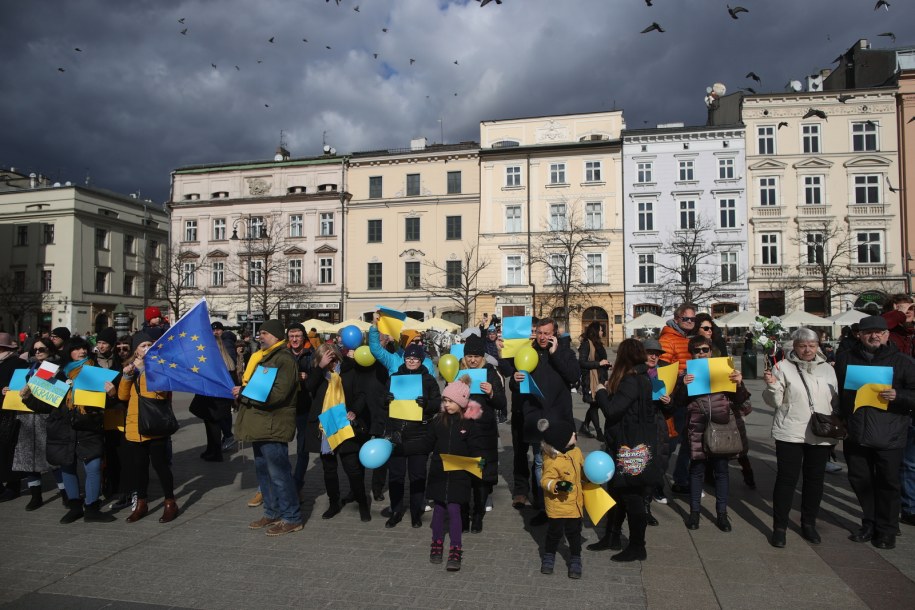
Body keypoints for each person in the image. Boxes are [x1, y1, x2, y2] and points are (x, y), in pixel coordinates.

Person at [834, 315, 915, 549]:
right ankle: (869, 522)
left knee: (888, 483)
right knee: (861, 480)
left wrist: (900, 397)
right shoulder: (845, 359)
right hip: (856, 431)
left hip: (889, 433)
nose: (874, 336)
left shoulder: (903, 362)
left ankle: (887, 529)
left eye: (879, 332)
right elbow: (837, 389)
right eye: (869, 332)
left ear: (887, 335)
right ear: (860, 335)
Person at [22, 337, 116, 523]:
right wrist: (26, 398)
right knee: (67, 465)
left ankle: (91, 508)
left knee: (94, 466)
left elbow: (107, 403)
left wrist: (112, 394)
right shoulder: (59, 374)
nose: (81, 352)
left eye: (84, 349)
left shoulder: (97, 372)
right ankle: (74, 506)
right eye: (76, 349)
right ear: (69, 352)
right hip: (62, 428)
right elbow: (45, 404)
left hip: (88, 427)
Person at [762, 327, 839, 548]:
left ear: (818, 346)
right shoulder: (782, 367)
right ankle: (780, 527)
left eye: (812, 345)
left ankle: (808, 523)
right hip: (790, 432)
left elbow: (835, 400)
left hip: (820, 433)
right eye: (802, 345)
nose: (807, 350)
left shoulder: (828, 369)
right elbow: (773, 402)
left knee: (815, 481)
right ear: (794, 346)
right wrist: (771, 385)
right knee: (787, 480)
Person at [402, 376, 483, 572]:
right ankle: (436, 543)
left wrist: (480, 466)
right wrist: (403, 448)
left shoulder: (469, 425)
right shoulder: (438, 422)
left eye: (450, 401)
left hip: (459, 476)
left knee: (454, 511)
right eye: (445, 400)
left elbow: (476, 450)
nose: (446, 404)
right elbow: (427, 443)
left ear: (461, 402)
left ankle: (456, 549)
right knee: (439, 510)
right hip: (439, 474)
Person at [504, 318, 581, 523]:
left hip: (559, 417)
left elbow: (574, 376)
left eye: (547, 333)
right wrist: (514, 380)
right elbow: (514, 380)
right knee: (539, 462)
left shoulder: (565, 352)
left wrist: (556, 355)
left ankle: (563, 504)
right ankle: (544, 507)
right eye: (540, 333)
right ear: (535, 333)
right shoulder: (528, 352)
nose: (543, 337)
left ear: (555, 334)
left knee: (557, 461)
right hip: (536, 416)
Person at [593, 339, 660, 562]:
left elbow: (612, 411)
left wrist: (601, 392)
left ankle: (637, 546)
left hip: (630, 446)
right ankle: (611, 536)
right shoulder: (640, 377)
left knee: (632, 496)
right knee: (616, 492)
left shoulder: (632, 381)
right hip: (630, 442)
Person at [233, 319, 302, 536]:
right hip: (261, 424)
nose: (259, 336)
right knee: (264, 474)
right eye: (259, 333)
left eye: (264, 333)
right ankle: (272, 512)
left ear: (275, 335)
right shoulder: (267, 358)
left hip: (273, 425)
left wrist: (244, 393)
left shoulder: (283, 359)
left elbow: (277, 395)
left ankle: (292, 517)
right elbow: (258, 388)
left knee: (279, 474)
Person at [675, 335, 749, 532]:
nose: (701, 353)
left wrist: (739, 382)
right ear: (691, 354)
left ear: (711, 351)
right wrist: (683, 385)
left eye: (704, 350)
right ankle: (694, 513)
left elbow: (740, 399)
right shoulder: (685, 374)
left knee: (722, 471)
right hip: (697, 427)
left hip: (721, 427)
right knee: (696, 470)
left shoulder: (725, 370)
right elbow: (678, 402)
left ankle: (722, 514)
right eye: (697, 351)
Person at [118, 332, 179, 524]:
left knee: (160, 466)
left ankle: (170, 502)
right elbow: (122, 397)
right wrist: (127, 376)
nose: (147, 348)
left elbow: (158, 394)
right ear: (136, 349)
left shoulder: (159, 366)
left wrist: (144, 371)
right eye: (143, 345)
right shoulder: (129, 367)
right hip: (135, 426)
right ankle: (142, 503)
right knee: (139, 467)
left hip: (155, 424)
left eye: (149, 345)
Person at [305, 342, 371, 522]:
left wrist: (354, 411)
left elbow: (361, 395)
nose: (330, 360)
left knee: (353, 468)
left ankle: (362, 503)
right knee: (329, 469)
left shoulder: (350, 371)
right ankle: (333, 503)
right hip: (325, 425)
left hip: (344, 423)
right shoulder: (318, 374)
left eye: (331, 356)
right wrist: (320, 367)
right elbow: (308, 387)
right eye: (324, 356)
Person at [381, 342, 441, 528]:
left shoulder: (428, 379)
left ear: (421, 359)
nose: (411, 361)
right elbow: (383, 402)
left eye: (415, 358)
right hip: (397, 433)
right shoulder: (394, 377)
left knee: (417, 476)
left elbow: (437, 403)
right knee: (396, 477)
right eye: (408, 357)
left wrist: (427, 404)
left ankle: (416, 512)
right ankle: (396, 510)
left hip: (420, 434)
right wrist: (386, 399)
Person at [696, 314, 756, 490]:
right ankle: (710, 474)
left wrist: (735, 380)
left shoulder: (718, 342)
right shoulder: (694, 346)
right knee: (709, 441)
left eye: (710, 328)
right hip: (705, 399)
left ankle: (747, 472)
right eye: (705, 328)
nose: (709, 331)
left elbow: (727, 364)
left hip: (726, 394)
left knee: (737, 440)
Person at [6, 338, 66, 510]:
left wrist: (30, 394)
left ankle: (65, 493)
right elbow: (22, 389)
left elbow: (52, 399)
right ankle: (35, 495)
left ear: (51, 350)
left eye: (42, 349)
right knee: (28, 459)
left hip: (46, 418)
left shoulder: (57, 369)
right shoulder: (28, 368)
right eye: (35, 350)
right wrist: (8, 390)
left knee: (54, 459)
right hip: (25, 418)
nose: (38, 352)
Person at [459, 333, 504, 533]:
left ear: (483, 357)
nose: (473, 360)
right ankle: (462, 513)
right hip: (463, 432)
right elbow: (448, 403)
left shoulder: (490, 372)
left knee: (480, 476)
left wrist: (492, 393)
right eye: (469, 356)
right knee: (462, 476)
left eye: (476, 356)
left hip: (484, 434)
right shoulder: (458, 372)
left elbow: (502, 403)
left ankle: (478, 514)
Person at [538, 418, 584, 579]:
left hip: (575, 505)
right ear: (561, 441)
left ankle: (576, 558)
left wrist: (589, 475)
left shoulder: (576, 452)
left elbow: (583, 469)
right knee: (554, 533)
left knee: (574, 533)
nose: (575, 434)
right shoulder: (552, 460)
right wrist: (557, 485)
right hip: (557, 506)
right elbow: (545, 480)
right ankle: (549, 555)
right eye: (571, 434)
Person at [0, 333, 35, 503]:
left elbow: (24, 386)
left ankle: (13, 486)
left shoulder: (18, 364)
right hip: (4, 412)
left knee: (10, 449)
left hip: (11, 413)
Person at [286, 323, 314, 500]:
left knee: (303, 449)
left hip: (305, 407)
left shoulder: (311, 354)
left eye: (298, 336)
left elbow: (320, 376)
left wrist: (308, 376)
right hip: (285, 406)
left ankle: (297, 485)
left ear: (303, 337)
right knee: (279, 448)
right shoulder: (283, 353)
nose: (295, 339)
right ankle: (280, 484)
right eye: (291, 336)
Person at [578, 321, 610, 441]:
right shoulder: (587, 344)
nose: (603, 332)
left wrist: (606, 364)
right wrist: (599, 363)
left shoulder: (599, 344)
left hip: (600, 377)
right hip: (590, 379)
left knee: (595, 403)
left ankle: (585, 426)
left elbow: (602, 360)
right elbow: (582, 362)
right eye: (601, 330)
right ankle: (599, 431)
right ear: (596, 331)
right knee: (595, 404)